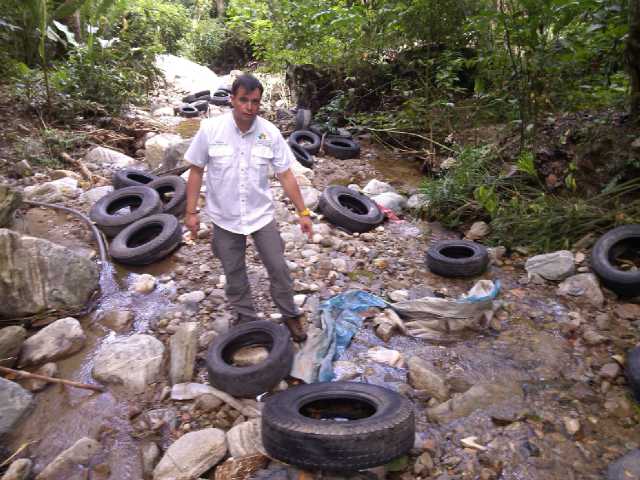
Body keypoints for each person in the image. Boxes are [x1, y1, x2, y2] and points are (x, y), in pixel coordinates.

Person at [183, 73, 312, 342]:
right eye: (243, 100)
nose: (249, 107)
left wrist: (303, 212)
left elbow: (286, 174)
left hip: (261, 215)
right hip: (224, 217)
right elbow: (196, 170)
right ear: (232, 99)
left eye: (255, 101)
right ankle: (246, 317)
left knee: (278, 267)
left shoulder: (270, 133)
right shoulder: (210, 130)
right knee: (234, 271)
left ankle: (289, 314)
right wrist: (191, 212)